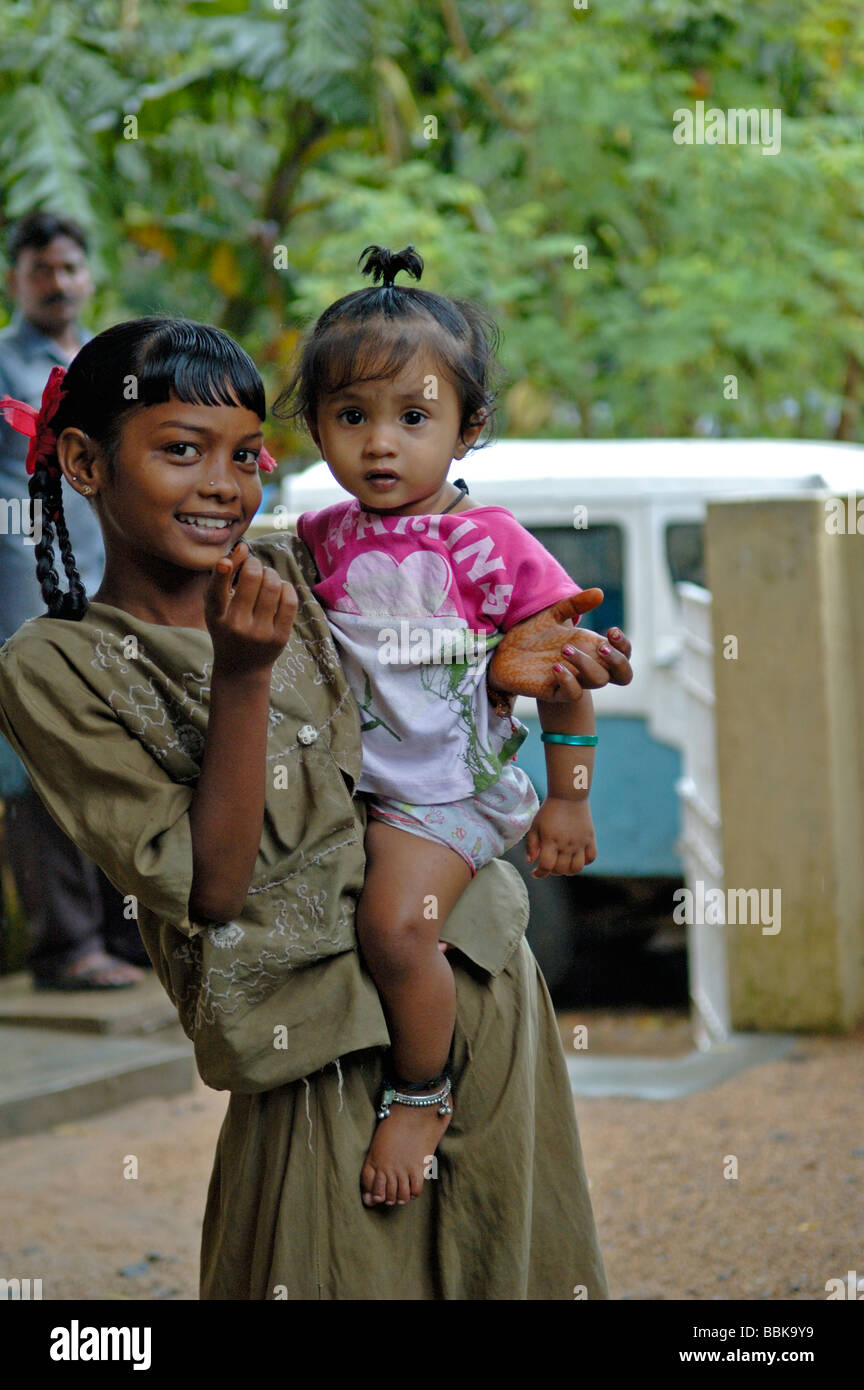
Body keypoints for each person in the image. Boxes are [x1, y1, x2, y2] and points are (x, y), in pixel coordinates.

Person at [0, 315, 632, 1299]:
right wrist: (241, 681)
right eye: (180, 450)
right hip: (315, 1049)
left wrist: (494, 673)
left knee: (512, 1264)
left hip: (483, 978)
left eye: (246, 455)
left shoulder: (296, 567)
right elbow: (212, 887)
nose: (223, 485)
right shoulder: (58, 666)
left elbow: (422, 704)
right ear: (83, 460)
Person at [281, 244, 611, 1210]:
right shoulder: (321, 537)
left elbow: (561, 674)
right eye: (352, 417)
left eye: (413, 418)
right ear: (316, 427)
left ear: (469, 428)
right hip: (358, 790)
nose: (381, 445)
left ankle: (422, 1092)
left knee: (393, 928)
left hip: (450, 794)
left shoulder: (492, 544)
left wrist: (568, 801)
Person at [0, 210, 145, 988]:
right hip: (20, 591)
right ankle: (65, 949)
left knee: (115, 757)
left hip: (108, 589)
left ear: (87, 275)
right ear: (16, 279)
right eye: (40, 270)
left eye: (68, 268)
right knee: (38, 765)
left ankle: (125, 938)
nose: (57, 283)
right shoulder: (1, 364)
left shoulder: (105, 363)